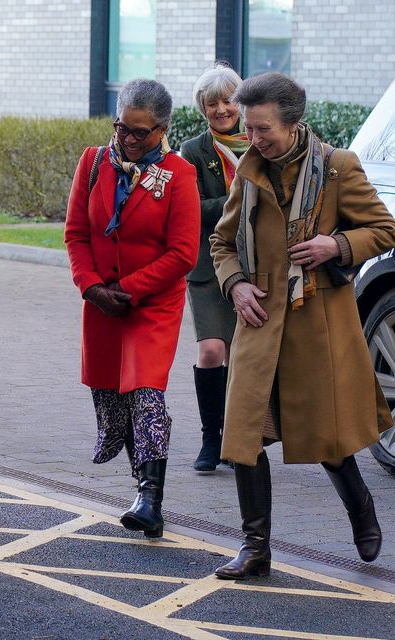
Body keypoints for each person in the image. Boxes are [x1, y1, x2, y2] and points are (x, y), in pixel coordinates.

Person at [209, 72, 395, 577]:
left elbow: (385, 230)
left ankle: (361, 510)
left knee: (326, 439)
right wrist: (236, 285)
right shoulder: (248, 170)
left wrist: (335, 246)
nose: (253, 139)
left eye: (263, 128)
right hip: (257, 318)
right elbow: (222, 243)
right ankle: (254, 548)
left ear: (293, 124)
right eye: (249, 128)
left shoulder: (338, 169)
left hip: (315, 322)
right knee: (244, 436)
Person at [64, 79, 201, 538]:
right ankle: (138, 486)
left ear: (162, 129)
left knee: (145, 393)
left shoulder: (179, 175)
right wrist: (91, 287)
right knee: (114, 397)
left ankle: (150, 499)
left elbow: (183, 254)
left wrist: (128, 289)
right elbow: (77, 234)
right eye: (123, 127)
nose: (129, 139)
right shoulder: (93, 162)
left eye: (141, 132)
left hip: (151, 303)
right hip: (102, 301)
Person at [179, 63, 250, 474]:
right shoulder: (194, 151)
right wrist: (240, 201)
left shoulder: (261, 143)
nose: (222, 109)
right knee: (212, 351)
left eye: (227, 101)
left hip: (255, 266)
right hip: (208, 265)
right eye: (212, 104)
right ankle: (211, 438)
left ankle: (239, 440)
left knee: (245, 357)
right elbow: (191, 209)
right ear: (202, 109)